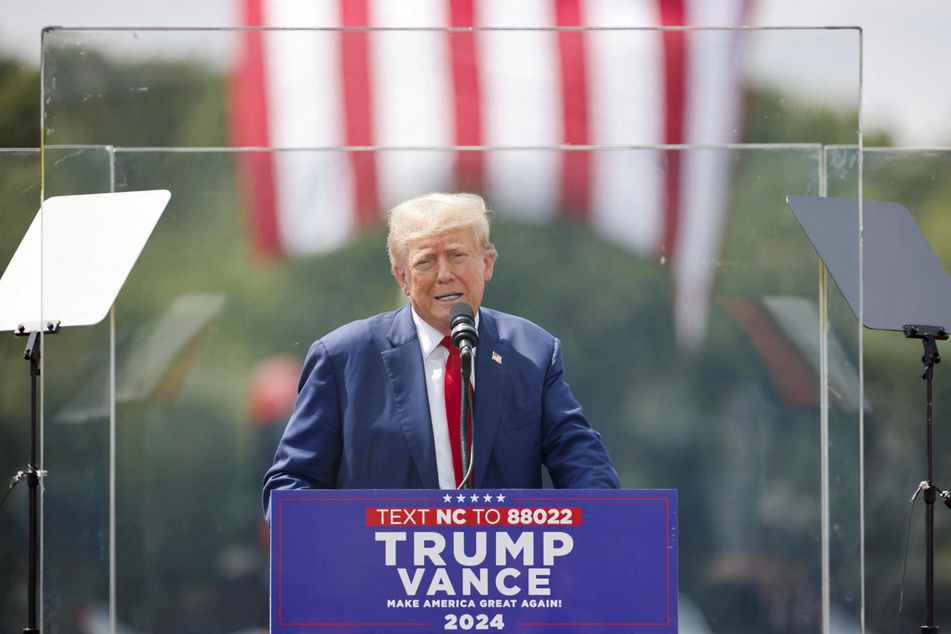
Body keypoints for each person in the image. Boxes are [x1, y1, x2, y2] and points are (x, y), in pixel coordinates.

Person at [263, 192, 618, 521]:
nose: (444, 274)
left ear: (488, 264)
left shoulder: (533, 352)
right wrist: (343, 553)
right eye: (426, 261)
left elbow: (581, 461)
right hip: (380, 580)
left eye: (458, 255)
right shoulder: (343, 359)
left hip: (506, 577)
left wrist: (608, 525)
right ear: (402, 277)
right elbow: (290, 485)